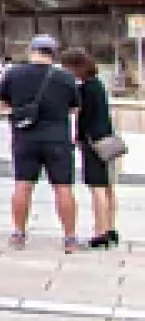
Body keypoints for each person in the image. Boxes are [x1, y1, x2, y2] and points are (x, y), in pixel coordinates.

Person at [0, 34, 82, 252]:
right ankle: (70, 238)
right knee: (63, 187)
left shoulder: (13, 74)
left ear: (31, 51)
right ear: (53, 54)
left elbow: (4, 105)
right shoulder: (66, 78)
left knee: (23, 185)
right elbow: (74, 108)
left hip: (25, 137)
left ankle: (18, 234)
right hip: (57, 138)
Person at [62, 47, 122, 249]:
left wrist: (77, 137)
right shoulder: (98, 85)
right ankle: (111, 228)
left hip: (93, 142)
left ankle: (100, 231)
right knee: (107, 187)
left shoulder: (85, 89)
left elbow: (82, 117)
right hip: (107, 139)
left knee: (96, 188)